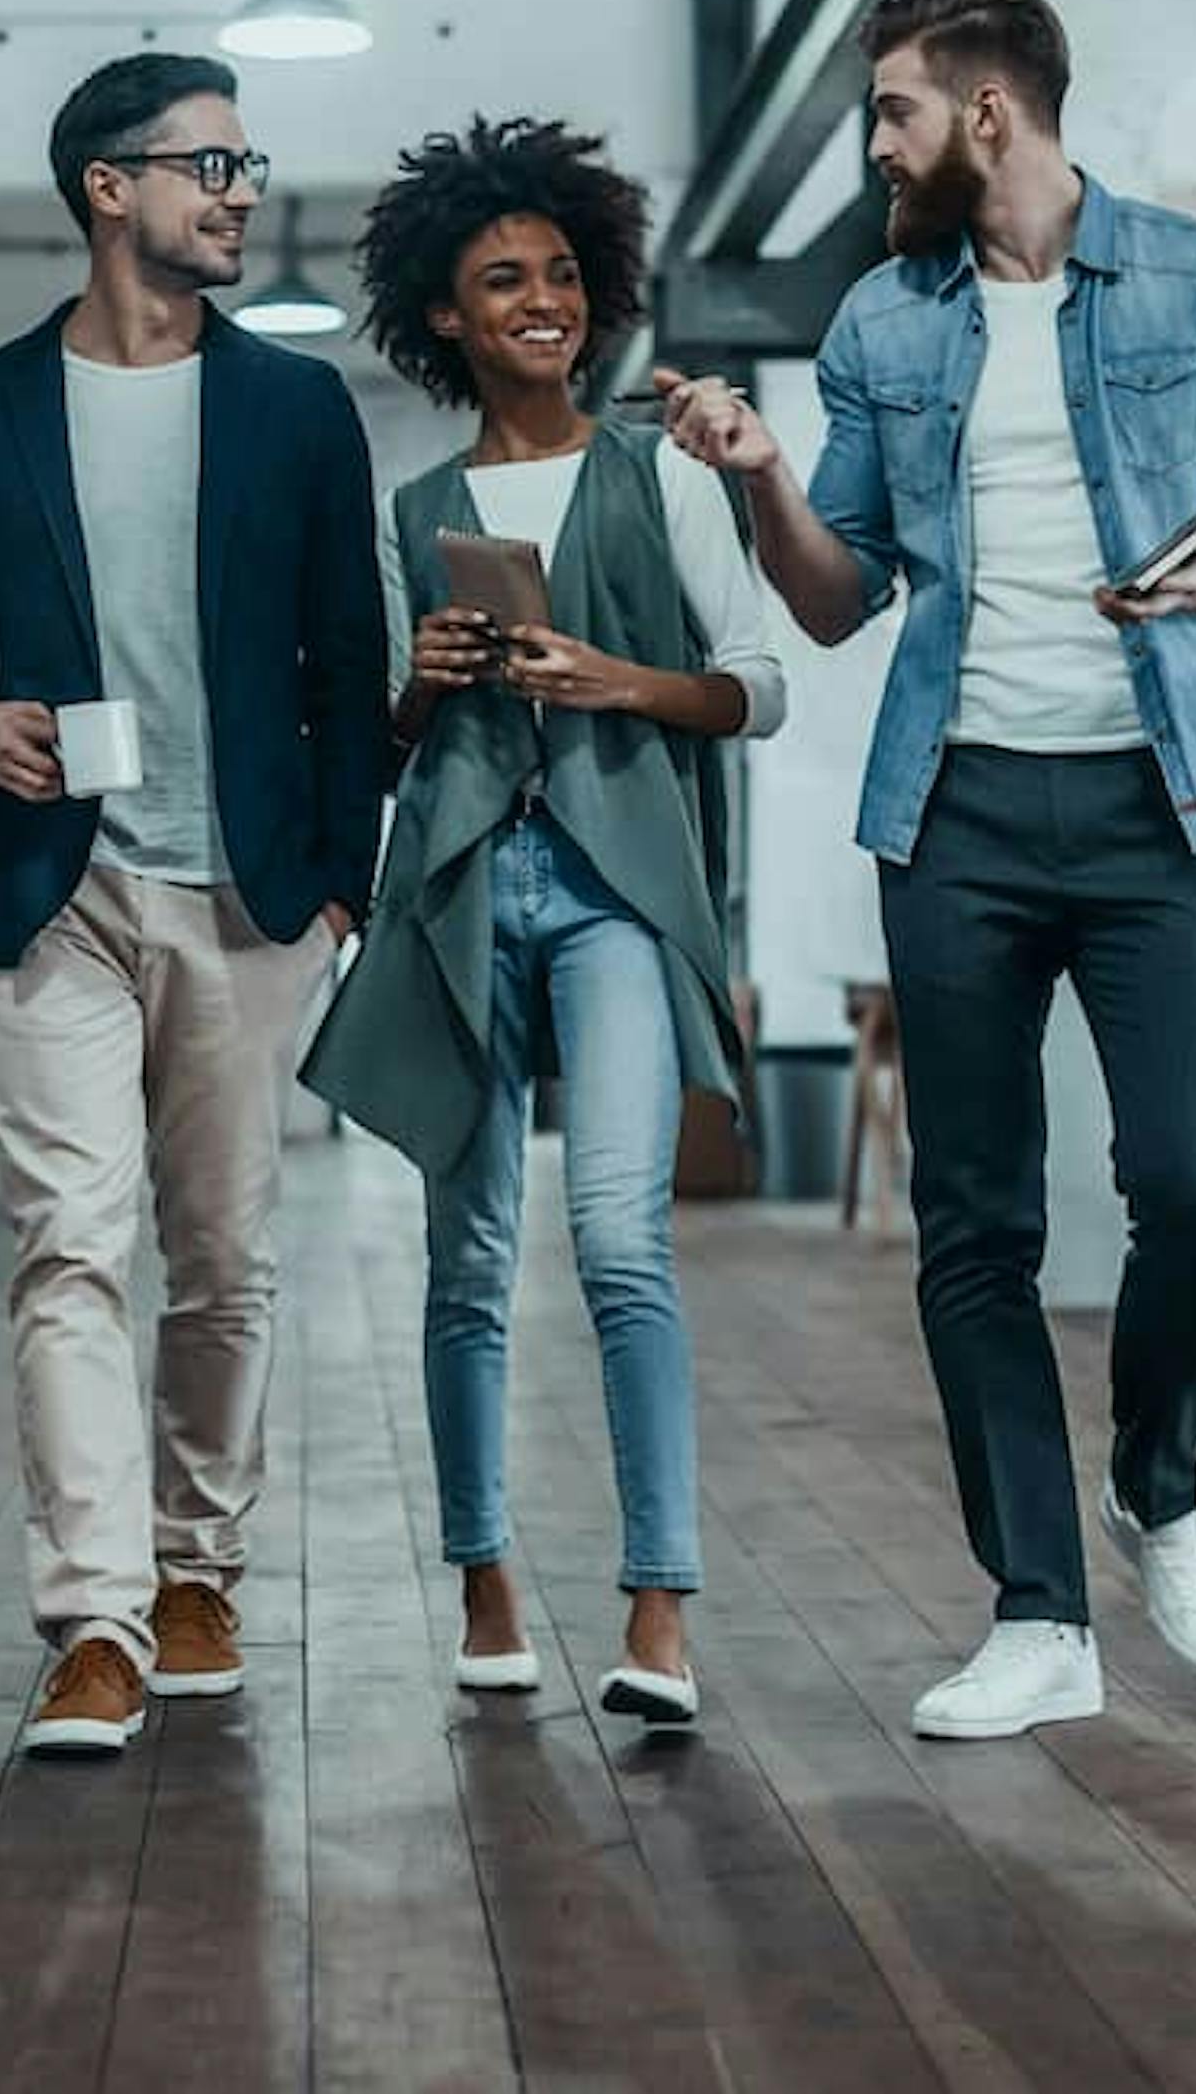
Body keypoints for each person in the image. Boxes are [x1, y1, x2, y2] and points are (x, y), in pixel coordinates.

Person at [664, 0, 1196, 1741]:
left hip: (1162, 801)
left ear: (987, 114)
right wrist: (758, 475)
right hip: (955, 808)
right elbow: (835, 603)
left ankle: (1157, 1477)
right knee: (974, 1219)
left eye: (892, 108)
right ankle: (1038, 1607)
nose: (874, 142)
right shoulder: (888, 323)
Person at [0, 53, 387, 1758]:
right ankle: (95, 1617)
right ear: (109, 187)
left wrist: (341, 881)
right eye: (210, 163)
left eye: (245, 163)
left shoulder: (294, 407)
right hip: (56, 888)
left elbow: (355, 657)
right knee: (66, 1245)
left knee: (225, 1260)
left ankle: (201, 1565)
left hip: (249, 888)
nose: (241, 191)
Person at [301, 118, 782, 1730]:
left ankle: (659, 1608)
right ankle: (486, 1581)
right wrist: (417, 685)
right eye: (503, 278)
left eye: (563, 273)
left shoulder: (663, 469)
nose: (542, 300)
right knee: (471, 1257)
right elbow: (367, 745)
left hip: (620, 895)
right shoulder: (414, 502)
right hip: (456, 891)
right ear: (442, 314)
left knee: (626, 1242)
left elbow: (756, 686)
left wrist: (612, 681)